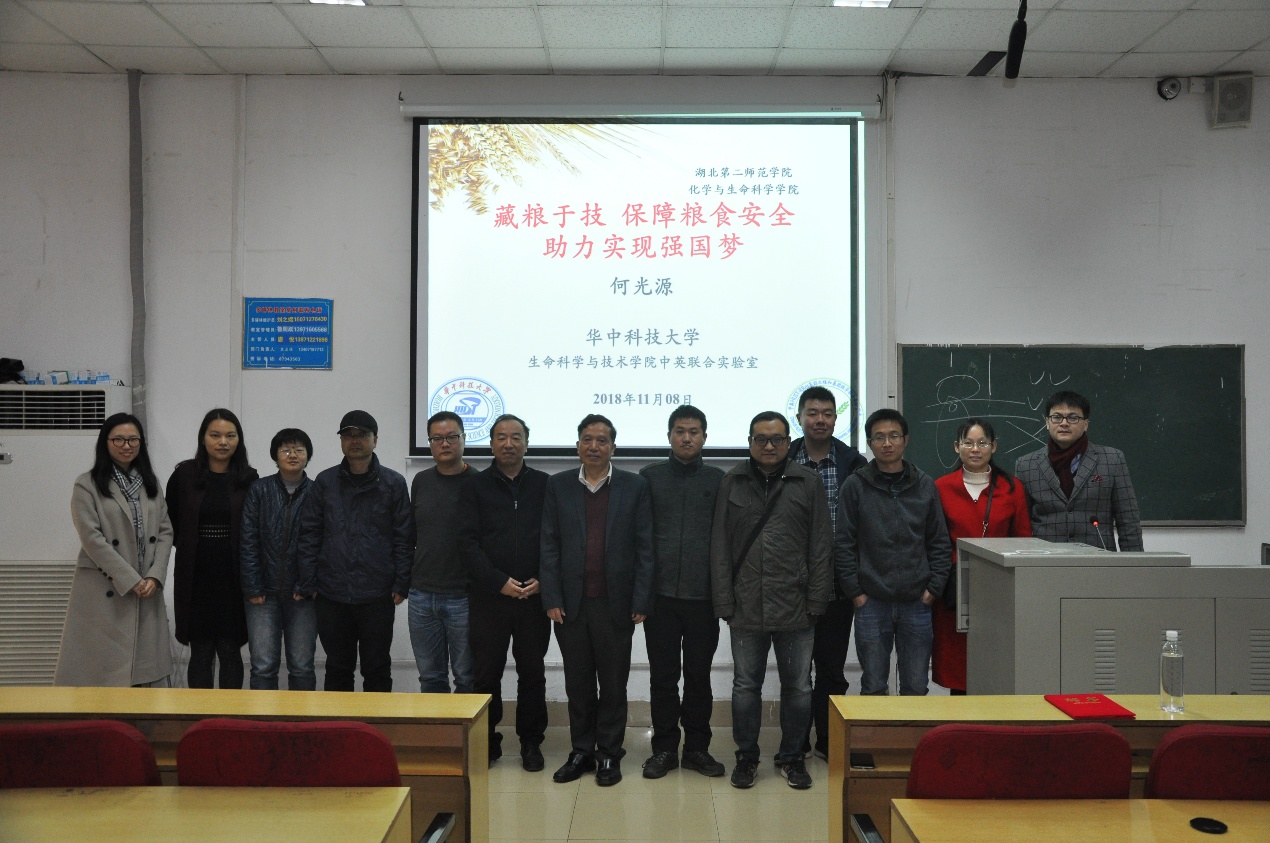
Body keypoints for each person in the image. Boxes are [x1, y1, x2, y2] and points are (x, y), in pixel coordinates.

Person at [711, 410, 833, 791]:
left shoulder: (807, 482)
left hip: (796, 605)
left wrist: (817, 599)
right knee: (745, 686)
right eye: (761, 439)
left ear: (788, 442)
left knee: (798, 687)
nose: (769, 446)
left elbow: (820, 545)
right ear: (749, 442)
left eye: (777, 439)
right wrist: (723, 600)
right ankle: (746, 757)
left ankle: (792, 757)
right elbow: (720, 545)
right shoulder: (732, 481)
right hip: (745, 604)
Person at [540, 414, 654, 787]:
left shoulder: (634, 486)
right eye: (587, 439)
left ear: (613, 447)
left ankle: (608, 753)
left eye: (602, 440)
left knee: (613, 683)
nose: (594, 446)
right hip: (570, 605)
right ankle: (581, 751)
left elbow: (645, 547)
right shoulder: (558, 485)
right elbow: (549, 544)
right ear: (577, 446)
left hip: (615, 603)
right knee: (578, 684)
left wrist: (641, 598)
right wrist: (551, 596)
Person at [295, 410, 413, 692]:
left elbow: (404, 537)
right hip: (331, 594)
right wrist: (310, 583)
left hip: (378, 594)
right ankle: (339, 723)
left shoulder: (393, 483)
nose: (355, 440)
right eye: (348, 435)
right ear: (341, 441)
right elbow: (309, 534)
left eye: (362, 435)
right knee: (337, 668)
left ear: (375, 440)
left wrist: (401, 583)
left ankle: (376, 722)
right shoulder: (325, 482)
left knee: (377, 667)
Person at [458, 414, 551, 771]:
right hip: (489, 597)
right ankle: (487, 741)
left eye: (516, 437)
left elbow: (555, 539)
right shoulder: (474, 486)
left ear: (527, 442)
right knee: (486, 675)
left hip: (533, 597)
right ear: (491, 443)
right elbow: (467, 544)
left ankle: (531, 742)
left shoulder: (545, 485)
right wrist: (498, 581)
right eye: (501, 437)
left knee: (533, 672)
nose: (508, 443)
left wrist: (542, 578)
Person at [638, 405, 726, 780]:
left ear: (704, 437)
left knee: (698, 678)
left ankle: (696, 749)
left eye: (693, 431)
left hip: (703, 599)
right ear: (669, 436)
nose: (686, 438)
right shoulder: (649, 477)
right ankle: (663, 750)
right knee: (663, 678)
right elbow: (639, 538)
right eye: (679, 431)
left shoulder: (719, 480)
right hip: (660, 599)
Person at [837, 408, 951, 698]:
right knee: (874, 686)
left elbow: (939, 541)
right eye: (879, 437)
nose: (887, 443)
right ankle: (877, 733)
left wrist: (933, 589)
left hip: (917, 602)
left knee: (916, 687)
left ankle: (912, 732)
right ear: (869, 443)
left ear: (905, 440)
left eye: (893, 436)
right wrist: (856, 593)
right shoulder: (855, 486)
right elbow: (844, 544)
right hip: (871, 602)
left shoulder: (924, 485)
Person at [55, 413, 174, 687]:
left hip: (146, 587)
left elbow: (165, 531)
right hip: (105, 586)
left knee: (145, 674)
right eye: (118, 439)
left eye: (133, 439)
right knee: (100, 673)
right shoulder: (87, 484)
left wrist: (155, 575)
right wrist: (130, 579)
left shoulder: (150, 482)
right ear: (105, 442)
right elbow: (91, 538)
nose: (126, 445)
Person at [786, 386, 867, 760]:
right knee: (796, 670)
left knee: (831, 667)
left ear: (836, 418)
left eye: (827, 413)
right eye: (812, 413)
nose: (820, 420)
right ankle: (796, 742)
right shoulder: (783, 460)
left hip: (838, 583)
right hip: (792, 583)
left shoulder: (854, 464)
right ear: (799, 417)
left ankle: (829, 740)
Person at [933, 418, 1031, 694]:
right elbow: (934, 540)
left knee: (996, 661)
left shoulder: (1012, 488)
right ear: (957, 447)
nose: (975, 449)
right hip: (954, 589)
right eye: (968, 443)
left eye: (982, 443)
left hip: (999, 586)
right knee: (957, 666)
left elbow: (1024, 540)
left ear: (993, 447)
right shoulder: (941, 487)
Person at [167, 408, 258, 689]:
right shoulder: (184, 475)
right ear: (203, 438)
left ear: (239, 440)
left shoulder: (249, 478)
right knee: (201, 651)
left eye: (230, 435)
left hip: (234, 576)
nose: (223, 442)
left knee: (230, 650)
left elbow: (257, 527)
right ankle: (199, 714)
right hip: (196, 575)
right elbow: (170, 522)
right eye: (215, 435)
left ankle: (229, 715)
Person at [1014, 390, 1143, 552]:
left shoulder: (1112, 459)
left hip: (1097, 558)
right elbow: (1020, 525)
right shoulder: (1026, 464)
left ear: (1086, 424)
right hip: (1046, 559)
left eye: (1073, 417)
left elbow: (1128, 520)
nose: (1064, 423)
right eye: (1057, 417)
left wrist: (1134, 563)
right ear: (1047, 422)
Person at [239, 427, 318, 690]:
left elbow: (323, 543)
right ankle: (263, 718)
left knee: (303, 666)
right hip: (263, 594)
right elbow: (248, 540)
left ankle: (301, 718)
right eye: (286, 450)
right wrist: (253, 586)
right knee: (263, 667)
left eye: (299, 450)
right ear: (275, 455)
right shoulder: (259, 490)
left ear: (308, 455)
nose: (292, 455)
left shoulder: (318, 492)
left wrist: (308, 584)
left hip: (303, 595)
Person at [408, 411, 474, 694]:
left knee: (467, 678)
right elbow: (412, 534)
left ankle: (466, 727)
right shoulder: (421, 481)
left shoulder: (479, 483)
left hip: (464, 596)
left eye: (451, 437)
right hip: (421, 595)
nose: (444, 444)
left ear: (464, 439)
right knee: (430, 678)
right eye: (437, 438)